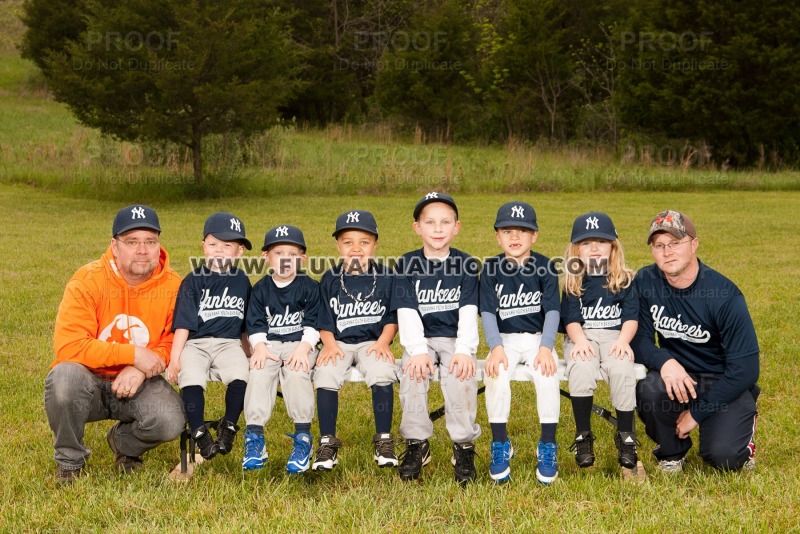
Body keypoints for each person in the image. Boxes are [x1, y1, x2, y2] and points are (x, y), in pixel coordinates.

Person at [46, 204, 185, 484]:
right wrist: (133, 354)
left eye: (150, 241)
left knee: (171, 419)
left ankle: (124, 445)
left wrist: (142, 368)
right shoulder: (87, 280)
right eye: (132, 242)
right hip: (89, 381)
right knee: (64, 379)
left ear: (159, 244)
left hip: (140, 383)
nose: (142, 249)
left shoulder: (173, 286)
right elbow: (70, 346)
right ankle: (70, 462)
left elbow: (176, 339)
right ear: (115, 245)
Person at [632, 210, 759, 472]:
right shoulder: (646, 281)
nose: (667, 252)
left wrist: (696, 414)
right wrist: (664, 361)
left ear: (694, 244)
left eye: (675, 243)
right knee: (648, 389)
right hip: (679, 377)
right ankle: (672, 452)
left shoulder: (724, 295)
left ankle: (743, 443)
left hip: (723, 381)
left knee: (724, 457)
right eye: (659, 245)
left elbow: (746, 370)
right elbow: (638, 340)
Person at [394, 192, 482, 485]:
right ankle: (418, 443)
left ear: (457, 227)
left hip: (455, 338)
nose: (438, 228)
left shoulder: (466, 264)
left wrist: (465, 350)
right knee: (412, 372)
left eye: (445, 222)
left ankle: (464, 445)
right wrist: (417, 351)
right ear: (417, 227)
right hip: (421, 338)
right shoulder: (406, 264)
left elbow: (469, 312)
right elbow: (406, 312)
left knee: (461, 374)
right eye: (429, 222)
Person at [480, 201, 561, 485]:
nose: (515, 238)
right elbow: (488, 311)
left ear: (534, 236)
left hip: (539, 339)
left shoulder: (544, 267)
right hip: (505, 340)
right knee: (496, 373)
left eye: (523, 231)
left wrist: (546, 347)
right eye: (507, 231)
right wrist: (495, 347)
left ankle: (547, 444)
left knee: (548, 374)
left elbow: (552, 311)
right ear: (497, 236)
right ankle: (501, 443)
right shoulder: (490, 268)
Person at [312, 210, 399, 471]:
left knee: (382, 370)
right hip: (338, 342)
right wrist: (328, 344)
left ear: (375, 245)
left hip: (372, 341)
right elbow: (323, 320)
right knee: (325, 372)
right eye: (348, 242)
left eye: (364, 242)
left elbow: (392, 317)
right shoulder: (329, 278)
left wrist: (384, 342)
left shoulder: (386, 276)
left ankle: (384, 440)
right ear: (338, 246)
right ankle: (327, 443)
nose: (356, 249)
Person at [166, 212, 252, 461]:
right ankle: (199, 431)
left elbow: (245, 324)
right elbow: (183, 324)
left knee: (240, 375)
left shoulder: (242, 280)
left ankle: (229, 426)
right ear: (203, 246)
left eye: (227, 246)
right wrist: (175, 357)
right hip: (196, 343)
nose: (219, 251)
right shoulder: (193, 281)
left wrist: (249, 352)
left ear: (239, 252)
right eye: (213, 244)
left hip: (229, 343)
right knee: (191, 377)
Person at [561, 212, 639, 470]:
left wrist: (625, 341)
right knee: (581, 367)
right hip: (582, 336)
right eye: (586, 243)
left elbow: (630, 317)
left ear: (613, 247)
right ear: (576, 250)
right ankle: (583, 435)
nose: (594, 248)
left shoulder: (625, 279)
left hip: (615, 337)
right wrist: (580, 340)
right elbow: (571, 319)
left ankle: (626, 436)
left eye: (601, 242)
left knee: (622, 368)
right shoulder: (574, 280)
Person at [242, 225, 320, 474]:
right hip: (270, 344)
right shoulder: (261, 289)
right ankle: (254, 438)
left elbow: (314, 323)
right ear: (266, 257)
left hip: (301, 342)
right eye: (278, 253)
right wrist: (260, 348)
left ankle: (303, 438)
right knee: (258, 370)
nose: (286, 259)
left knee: (297, 372)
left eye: (293, 254)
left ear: (302, 259)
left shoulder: (309, 286)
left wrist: (303, 348)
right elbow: (255, 324)